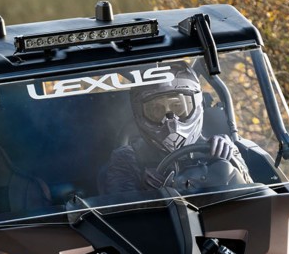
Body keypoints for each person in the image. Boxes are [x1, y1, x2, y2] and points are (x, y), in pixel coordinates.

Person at [97, 62, 247, 194]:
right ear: (140, 114)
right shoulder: (127, 159)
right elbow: (122, 216)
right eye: (157, 110)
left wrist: (233, 160)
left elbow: (253, 198)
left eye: (178, 106)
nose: (171, 122)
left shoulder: (221, 147)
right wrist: (145, 193)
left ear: (197, 105)